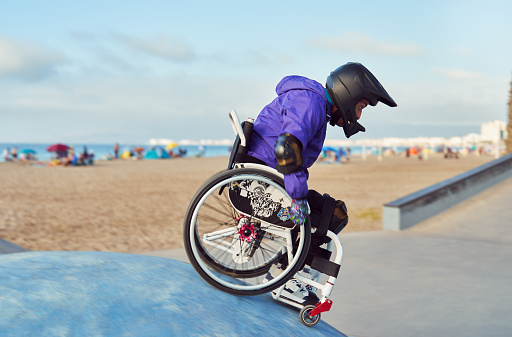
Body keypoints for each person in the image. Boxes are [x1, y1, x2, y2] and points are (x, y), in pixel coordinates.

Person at [246, 62, 397, 305]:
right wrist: (297, 199)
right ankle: (290, 277)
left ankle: (288, 272)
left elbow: (291, 155)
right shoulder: (311, 103)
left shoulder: (313, 103)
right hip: (261, 187)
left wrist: (299, 194)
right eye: (361, 106)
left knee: (332, 211)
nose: (358, 115)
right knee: (331, 215)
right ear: (349, 94)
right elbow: (287, 149)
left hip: (265, 179)